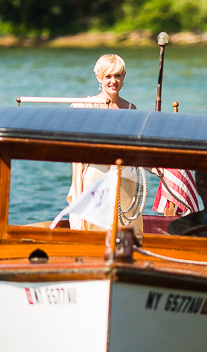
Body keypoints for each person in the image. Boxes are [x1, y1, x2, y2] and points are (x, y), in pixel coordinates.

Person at [66, 54, 142, 234]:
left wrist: (154, 168)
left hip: (126, 175)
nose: (113, 81)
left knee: (126, 227)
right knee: (94, 226)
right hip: (96, 175)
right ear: (99, 78)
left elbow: (136, 149)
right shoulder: (85, 106)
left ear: (124, 77)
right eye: (108, 76)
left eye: (118, 75)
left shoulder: (131, 109)